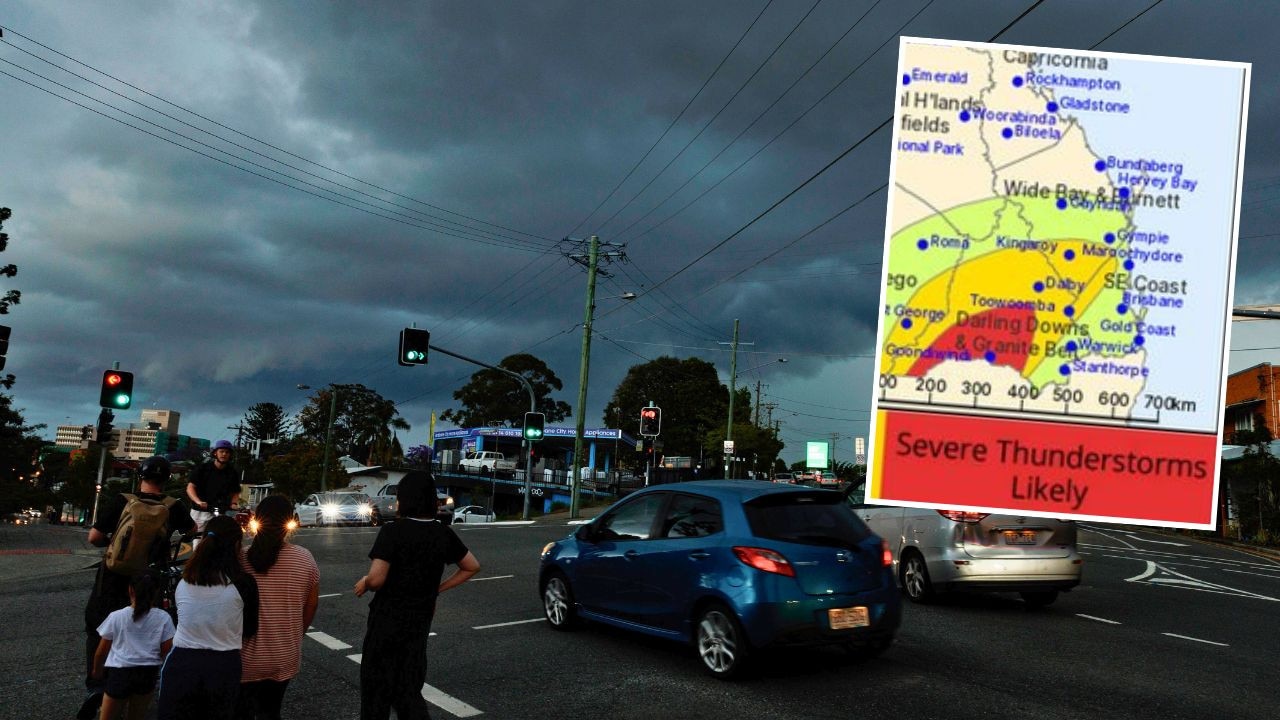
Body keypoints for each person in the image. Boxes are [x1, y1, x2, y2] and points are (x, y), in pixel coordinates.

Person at [354, 470, 480, 720]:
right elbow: (471, 566)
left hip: (387, 622)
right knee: (409, 692)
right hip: (419, 622)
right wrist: (436, 589)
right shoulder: (442, 532)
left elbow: (378, 578)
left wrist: (365, 582)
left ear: (404, 499)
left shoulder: (393, 531)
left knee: (376, 694)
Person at [80, 456, 195, 720]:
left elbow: (94, 537)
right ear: (167, 479)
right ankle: (139, 684)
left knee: (97, 627)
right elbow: (192, 529)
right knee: (146, 627)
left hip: (112, 577)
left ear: (140, 477)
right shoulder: (173, 506)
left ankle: (97, 687)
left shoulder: (122, 500)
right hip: (149, 578)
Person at [157, 515, 259, 720]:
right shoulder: (243, 583)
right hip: (223, 665)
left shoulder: (184, 581)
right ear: (237, 546)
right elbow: (249, 629)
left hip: (180, 663)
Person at [236, 496, 320, 720]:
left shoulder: (240, 558)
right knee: (271, 712)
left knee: (241, 712)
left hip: (243, 658)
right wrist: (295, 634)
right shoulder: (305, 559)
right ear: (291, 522)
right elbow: (311, 605)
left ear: (255, 520)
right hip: (284, 656)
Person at [91, 570, 175, 720]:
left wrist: (97, 672)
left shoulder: (117, 617)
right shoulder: (163, 618)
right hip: (147, 673)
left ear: (130, 590)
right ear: (156, 592)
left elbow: (101, 652)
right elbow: (167, 651)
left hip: (120, 673)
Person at [187, 440, 241, 533]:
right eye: (221, 451)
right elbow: (190, 487)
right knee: (198, 541)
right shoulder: (203, 469)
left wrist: (234, 503)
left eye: (227, 452)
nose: (224, 454)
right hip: (200, 512)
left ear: (230, 455)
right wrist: (198, 501)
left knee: (221, 539)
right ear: (215, 453)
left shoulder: (232, 472)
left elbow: (235, 491)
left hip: (221, 512)